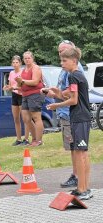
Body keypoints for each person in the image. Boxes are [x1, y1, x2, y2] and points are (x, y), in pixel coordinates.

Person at [46, 47, 92, 200]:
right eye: (61, 60)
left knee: (81, 153)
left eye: (64, 61)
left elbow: (73, 100)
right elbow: (70, 95)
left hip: (80, 117)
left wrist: (55, 105)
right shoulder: (76, 75)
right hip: (79, 117)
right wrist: (56, 93)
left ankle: (83, 189)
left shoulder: (74, 76)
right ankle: (83, 188)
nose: (62, 63)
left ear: (74, 61)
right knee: (82, 152)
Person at [42, 40, 84, 188]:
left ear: (72, 54)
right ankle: (77, 177)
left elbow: (71, 96)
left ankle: (79, 178)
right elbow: (64, 91)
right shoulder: (66, 69)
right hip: (66, 113)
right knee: (73, 147)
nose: (61, 57)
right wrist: (54, 91)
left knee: (77, 148)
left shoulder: (74, 72)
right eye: (59, 52)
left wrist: (55, 98)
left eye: (64, 53)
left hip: (72, 113)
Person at [15, 51, 44, 146]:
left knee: (36, 117)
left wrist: (22, 81)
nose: (27, 60)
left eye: (29, 58)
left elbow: (35, 82)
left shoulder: (35, 68)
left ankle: (39, 140)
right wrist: (18, 82)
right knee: (26, 119)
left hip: (35, 94)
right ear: (23, 60)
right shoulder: (24, 70)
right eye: (25, 58)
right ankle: (34, 138)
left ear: (32, 59)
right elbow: (21, 84)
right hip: (25, 95)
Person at [3, 55, 30, 146]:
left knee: (25, 118)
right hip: (14, 95)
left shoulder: (22, 72)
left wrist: (14, 87)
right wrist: (8, 87)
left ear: (20, 63)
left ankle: (26, 138)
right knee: (16, 118)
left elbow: (23, 86)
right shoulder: (11, 73)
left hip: (22, 95)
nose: (15, 64)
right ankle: (18, 139)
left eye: (17, 62)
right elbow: (11, 85)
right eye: (13, 62)